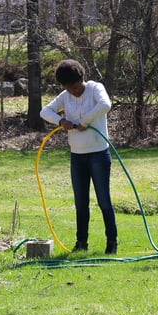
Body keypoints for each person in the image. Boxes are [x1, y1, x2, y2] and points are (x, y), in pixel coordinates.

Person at [40, 59, 118, 255]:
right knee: (81, 203)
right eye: (68, 88)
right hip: (77, 157)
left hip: (99, 155)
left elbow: (105, 104)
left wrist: (84, 121)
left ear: (82, 78)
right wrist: (61, 120)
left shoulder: (95, 88)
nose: (73, 92)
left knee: (104, 201)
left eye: (75, 87)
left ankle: (112, 243)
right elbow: (45, 111)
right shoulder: (65, 96)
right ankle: (81, 243)